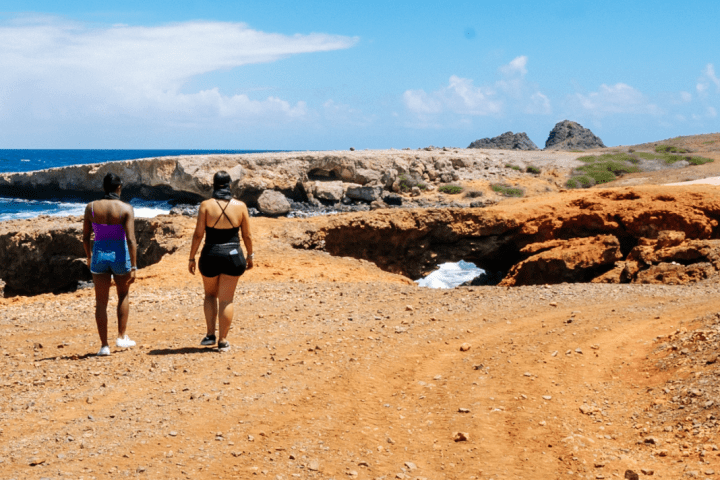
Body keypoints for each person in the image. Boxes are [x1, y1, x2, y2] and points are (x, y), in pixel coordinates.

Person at [188, 171, 254, 351]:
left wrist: (192, 257)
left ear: (214, 185)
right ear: (230, 185)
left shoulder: (206, 205)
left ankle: (210, 335)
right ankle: (223, 341)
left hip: (210, 254)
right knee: (226, 300)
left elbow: (198, 234)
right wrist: (250, 255)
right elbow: (246, 235)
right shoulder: (240, 206)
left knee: (210, 295)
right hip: (233, 256)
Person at [82, 172, 138, 356]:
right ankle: (121, 337)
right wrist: (134, 266)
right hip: (120, 256)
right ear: (119, 187)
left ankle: (104, 346)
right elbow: (130, 240)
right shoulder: (126, 209)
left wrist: (89, 257)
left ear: (103, 188)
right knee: (123, 294)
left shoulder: (90, 208)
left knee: (101, 302)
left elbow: (85, 237)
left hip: (99, 256)